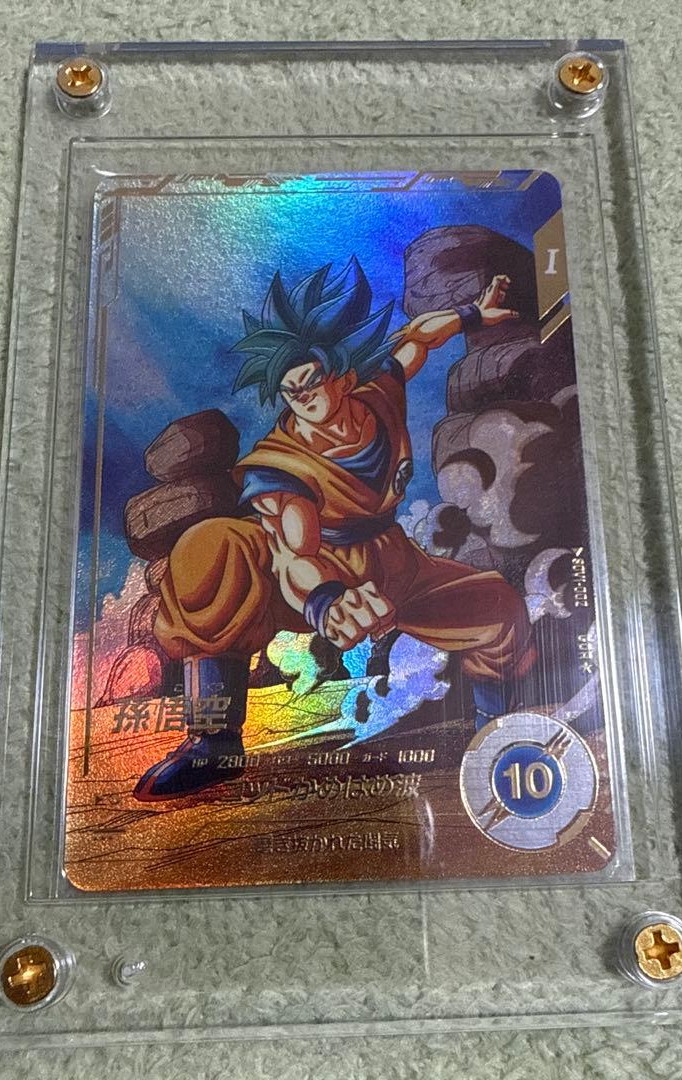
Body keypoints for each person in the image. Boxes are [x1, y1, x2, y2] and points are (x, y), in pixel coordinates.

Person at [134, 257, 536, 801]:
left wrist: (472, 314)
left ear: (343, 378)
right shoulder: (280, 465)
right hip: (303, 574)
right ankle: (212, 741)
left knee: (499, 608)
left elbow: (418, 338)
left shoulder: (379, 394)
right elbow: (293, 553)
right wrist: (326, 602)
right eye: (290, 391)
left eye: (311, 383)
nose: (303, 398)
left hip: (392, 561)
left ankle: (497, 729)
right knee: (212, 549)